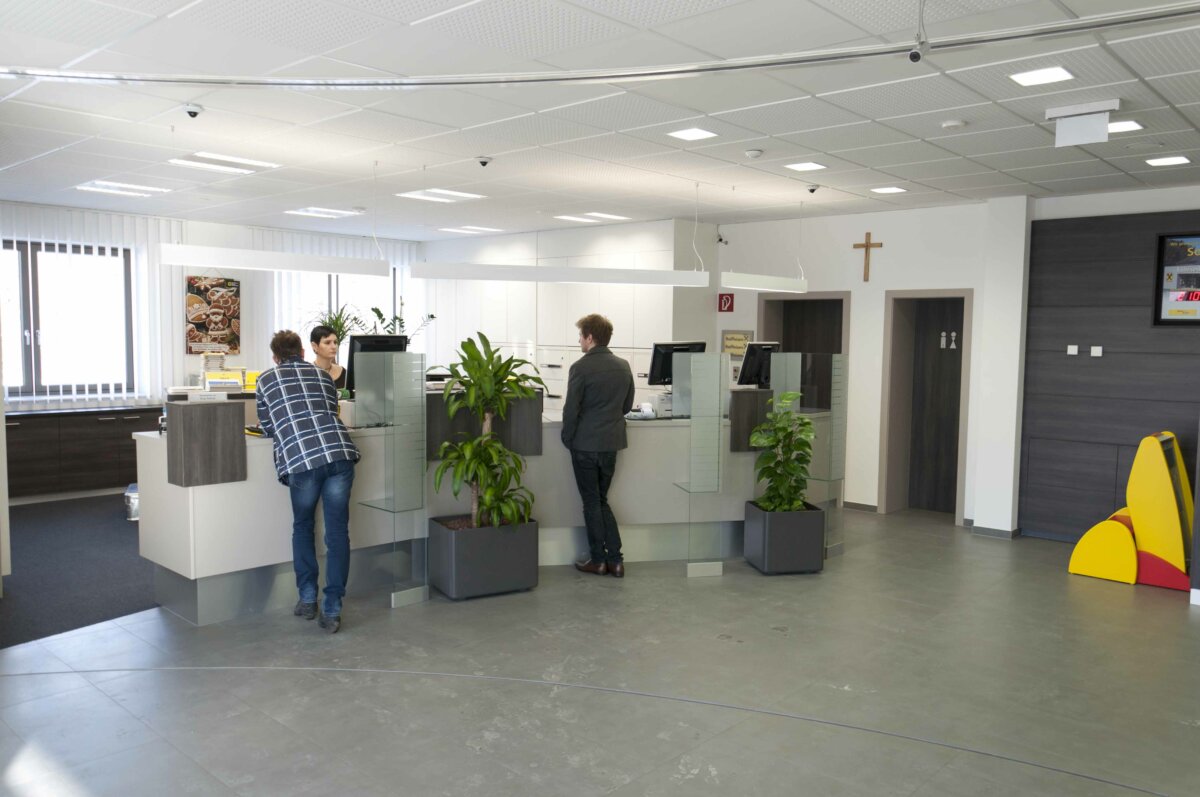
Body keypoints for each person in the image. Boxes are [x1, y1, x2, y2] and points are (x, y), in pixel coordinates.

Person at [257, 330, 360, 633]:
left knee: (303, 526)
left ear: (275, 357)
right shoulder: (323, 376)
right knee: (337, 533)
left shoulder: (265, 380)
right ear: (303, 352)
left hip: (302, 459)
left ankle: (307, 599)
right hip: (339, 454)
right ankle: (332, 609)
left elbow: (267, 427)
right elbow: (331, 411)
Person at [561, 314, 635, 578]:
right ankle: (615, 560)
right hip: (610, 445)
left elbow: (571, 410)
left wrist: (567, 438)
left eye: (580, 336)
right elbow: (626, 406)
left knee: (592, 502)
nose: (579, 340)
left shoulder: (580, 368)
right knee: (601, 500)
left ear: (590, 337)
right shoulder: (623, 366)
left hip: (585, 445)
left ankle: (599, 560)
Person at [310, 325, 346, 391]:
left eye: (335, 342)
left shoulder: (344, 373)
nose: (333, 347)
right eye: (327, 343)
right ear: (314, 346)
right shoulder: (307, 374)